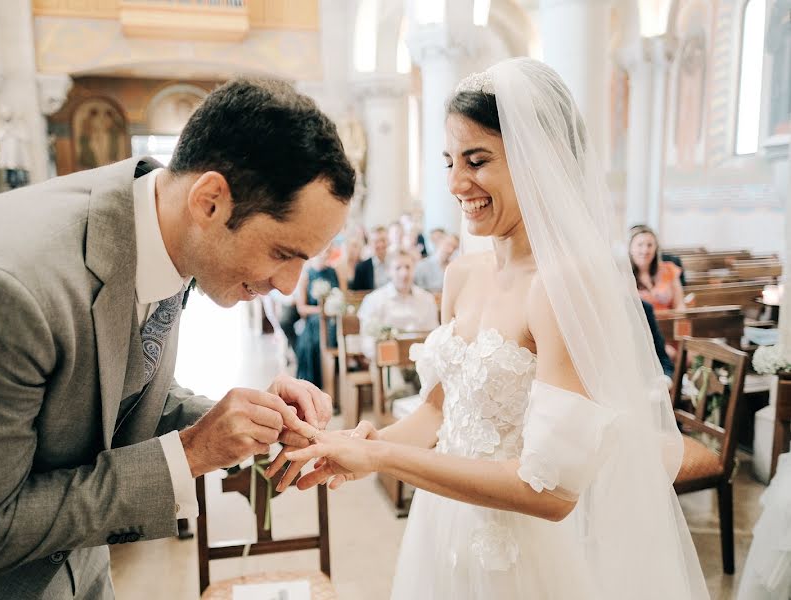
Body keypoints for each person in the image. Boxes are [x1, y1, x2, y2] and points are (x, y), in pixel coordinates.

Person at [0, 78, 354, 599]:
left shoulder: (162, 227)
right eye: (281, 253)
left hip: (82, 574)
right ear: (210, 202)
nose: (289, 286)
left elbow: (109, 390)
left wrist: (238, 422)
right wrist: (191, 453)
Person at [269, 58, 708, 599]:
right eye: (450, 160)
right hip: (440, 525)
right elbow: (437, 410)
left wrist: (384, 458)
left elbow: (550, 491)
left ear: (537, 161)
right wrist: (356, 445)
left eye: (477, 161)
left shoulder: (560, 286)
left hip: (518, 553)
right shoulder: (461, 273)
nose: (456, 183)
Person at [357, 250, 439, 361]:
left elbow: (434, 335)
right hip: (388, 363)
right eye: (398, 268)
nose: (404, 273)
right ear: (388, 271)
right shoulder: (374, 300)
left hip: (422, 361)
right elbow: (367, 342)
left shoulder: (427, 298)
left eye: (408, 267)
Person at [294, 247, 341, 390]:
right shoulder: (306, 274)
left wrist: (334, 308)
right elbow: (301, 308)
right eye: (322, 251)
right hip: (314, 321)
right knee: (314, 341)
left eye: (327, 251)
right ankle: (315, 386)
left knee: (335, 334)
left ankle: (333, 386)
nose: (324, 255)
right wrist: (321, 310)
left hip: (332, 320)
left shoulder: (333, 272)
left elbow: (340, 296)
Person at [630, 224, 686, 311]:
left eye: (650, 245)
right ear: (630, 248)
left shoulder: (669, 269)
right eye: (640, 245)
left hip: (668, 322)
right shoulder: (623, 276)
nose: (645, 250)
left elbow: (680, 305)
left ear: (656, 248)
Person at [350, 225, 389, 290]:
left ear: (388, 241)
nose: (380, 244)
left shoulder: (396, 263)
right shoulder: (361, 268)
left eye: (383, 240)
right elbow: (357, 295)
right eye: (376, 241)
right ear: (370, 244)